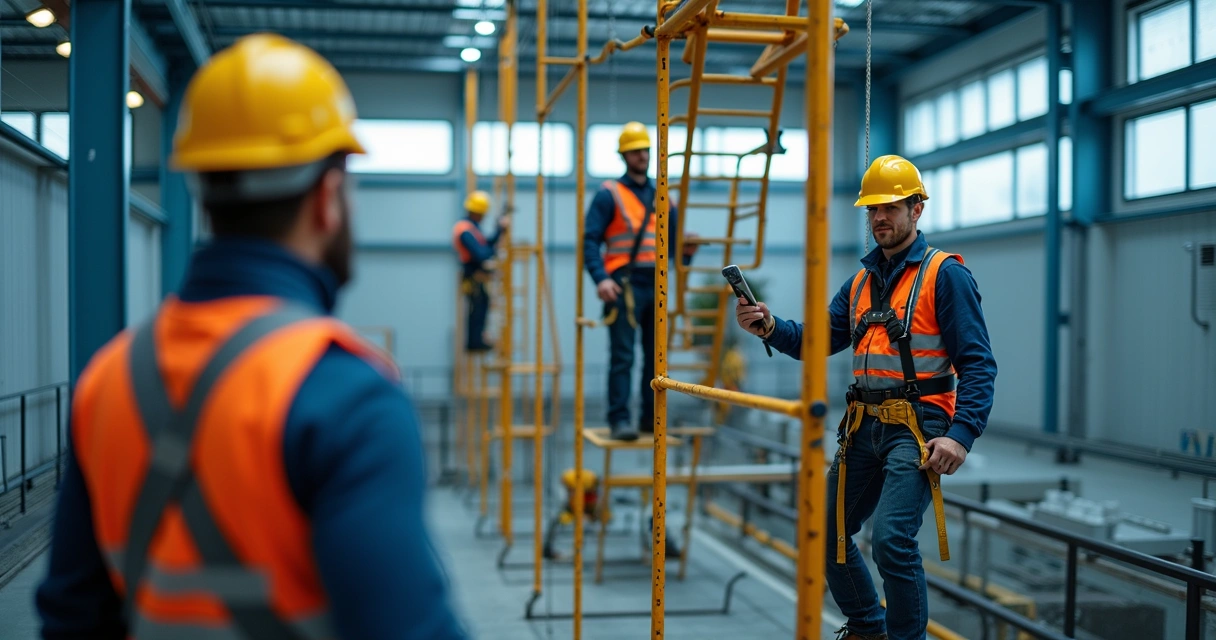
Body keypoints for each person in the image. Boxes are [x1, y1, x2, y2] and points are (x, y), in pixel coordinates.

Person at [35, 34, 468, 640]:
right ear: (328, 198)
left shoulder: (107, 380)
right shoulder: (347, 395)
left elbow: (71, 618)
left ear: (203, 192)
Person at [734, 155, 997, 640]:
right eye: (872, 209)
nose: (879, 217)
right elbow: (815, 341)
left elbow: (978, 363)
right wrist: (768, 326)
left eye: (890, 207)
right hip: (863, 425)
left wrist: (961, 435)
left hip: (918, 426)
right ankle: (866, 630)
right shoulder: (859, 284)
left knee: (892, 541)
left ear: (916, 210)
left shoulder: (945, 275)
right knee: (825, 532)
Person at [584, 121, 697, 443]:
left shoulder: (664, 196)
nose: (642, 156)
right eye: (635, 151)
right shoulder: (609, 194)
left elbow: (674, 247)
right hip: (624, 285)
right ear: (624, 155)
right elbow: (590, 240)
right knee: (623, 357)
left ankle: (651, 419)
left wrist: (686, 252)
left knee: (655, 358)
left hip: (656, 285)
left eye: (645, 150)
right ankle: (620, 420)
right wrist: (601, 279)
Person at [452, 190, 510, 352]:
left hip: (475, 276)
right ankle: (474, 342)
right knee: (477, 308)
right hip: (472, 276)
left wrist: (499, 230)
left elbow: (485, 244)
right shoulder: (465, 230)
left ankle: (477, 339)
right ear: (477, 212)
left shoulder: (471, 228)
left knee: (481, 305)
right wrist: (494, 250)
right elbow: (481, 254)